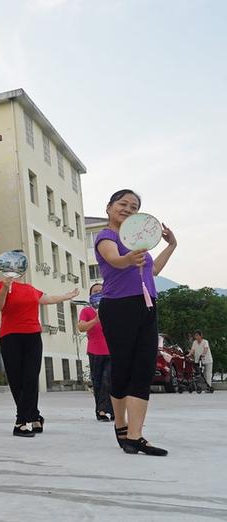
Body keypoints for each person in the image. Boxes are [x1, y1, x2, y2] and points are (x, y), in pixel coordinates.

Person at [95, 189, 176, 456]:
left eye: (134, 206)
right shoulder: (106, 236)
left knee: (143, 369)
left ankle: (134, 436)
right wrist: (127, 259)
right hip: (119, 307)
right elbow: (113, 259)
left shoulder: (138, 242)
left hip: (146, 306)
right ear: (109, 207)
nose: (128, 209)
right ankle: (121, 425)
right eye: (123, 204)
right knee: (123, 368)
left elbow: (152, 270)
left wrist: (171, 246)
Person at [0, 259, 79, 437]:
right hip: (10, 336)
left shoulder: (31, 289)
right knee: (17, 380)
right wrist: (5, 287)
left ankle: (22, 421)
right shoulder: (1, 285)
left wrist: (67, 296)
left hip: (32, 336)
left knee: (30, 378)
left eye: (19, 266)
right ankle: (34, 417)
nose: (16, 269)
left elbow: (49, 299)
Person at [77, 283, 113, 422]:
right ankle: (101, 410)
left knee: (108, 380)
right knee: (98, 382)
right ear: (91, 295)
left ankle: (111, 409)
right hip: (95, 351)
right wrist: (95, 319)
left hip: (112, 351)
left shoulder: (112, 309)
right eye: (95, 291)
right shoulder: (86, 311)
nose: (98, 293)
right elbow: (81, 327)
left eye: (101, 291)